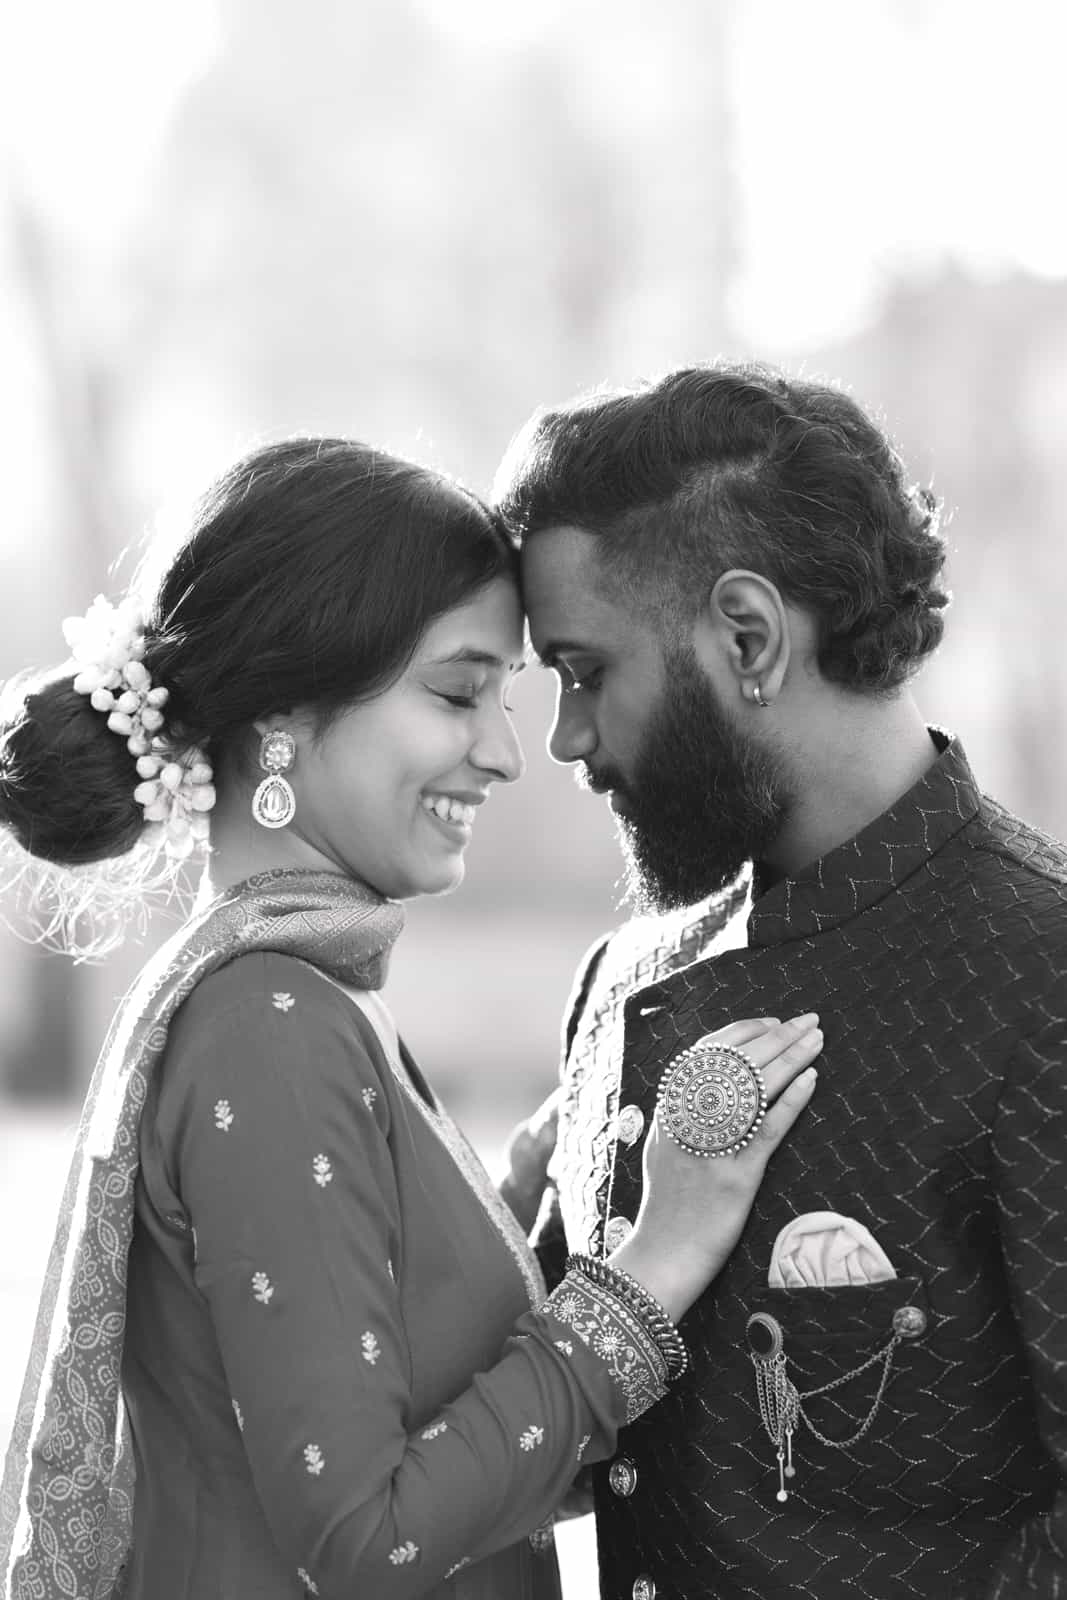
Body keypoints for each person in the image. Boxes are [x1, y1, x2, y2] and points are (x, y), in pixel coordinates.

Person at [0, 437, 821, 1600]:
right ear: (281, 710)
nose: (501, 752)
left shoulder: (300, 994)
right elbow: (366, 1540)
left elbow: (380, 1399)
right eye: (456, 692)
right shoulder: (269, 1023)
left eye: (505, 695)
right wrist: (659, 1255)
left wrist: (520, 1202)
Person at [495, 363, 1067, 1600]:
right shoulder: (624, 976)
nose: (565, 740)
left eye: (585, 671)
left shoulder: (1043, 980)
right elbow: (533, 1417)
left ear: (746, 636)